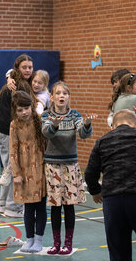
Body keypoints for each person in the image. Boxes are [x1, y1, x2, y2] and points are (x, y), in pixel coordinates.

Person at [85, 109, 136, 261]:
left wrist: (95, 191)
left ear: (112, 126)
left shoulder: (102, 141)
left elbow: (90, 173)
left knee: (118, 249)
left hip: (113, 200)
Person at [41, 80, 97, 255]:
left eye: (64, 93)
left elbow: (83, 134)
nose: (61, 96)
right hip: (52, 165)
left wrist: (87, 124)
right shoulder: (46, 115)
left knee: (69, 206)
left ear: (69, 97)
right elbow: (46, 133)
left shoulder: (74, 115)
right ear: (52, 97)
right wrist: (55, 125)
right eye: (58, 93)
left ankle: (68, 243)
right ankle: (56, 243)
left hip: (70, 165)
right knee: (55, 206)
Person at [0, 54, 35, 218]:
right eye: (24, 67)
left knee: (9, 169)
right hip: (9, 132)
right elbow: (21, 113)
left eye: (30, 67)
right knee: (15, 168)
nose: (28, 70)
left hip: (2, 131)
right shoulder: (19, 86)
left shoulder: (15, 83)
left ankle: (3, 205)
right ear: (18, 68)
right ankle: (13, 208)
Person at [9, 91, 47, 253]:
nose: (24, 112)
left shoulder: (39, 120)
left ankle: (38, 240)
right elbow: (13, 149)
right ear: (15, 111)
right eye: (20, 110)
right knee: (28, 208)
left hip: (41, 169)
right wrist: (16, 173)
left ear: (32, 106)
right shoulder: (14, 125)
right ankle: (29, 239)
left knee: (41, 207)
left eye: (26, 108)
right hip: (24, 172)